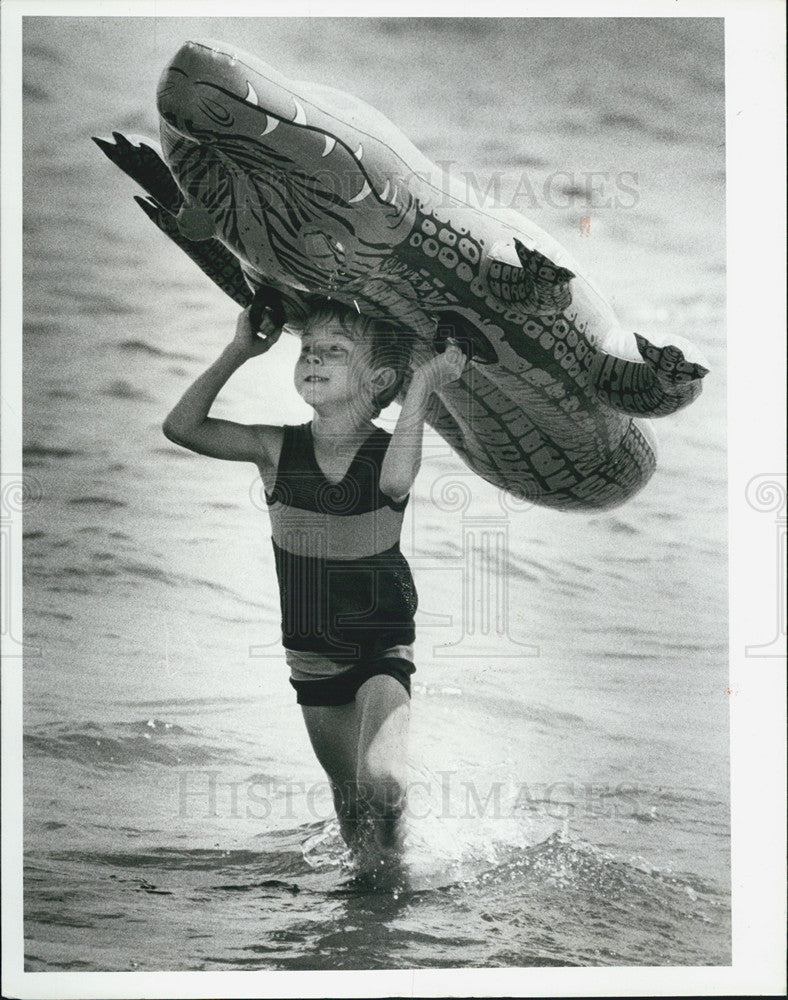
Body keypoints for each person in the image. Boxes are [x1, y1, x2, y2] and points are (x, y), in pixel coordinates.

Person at [162, 297, 465, 867]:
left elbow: (399, 479)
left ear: (378, 379)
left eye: (335, 351)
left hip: (381, 648)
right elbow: (182, 427)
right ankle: (380, 902)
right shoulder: (275, 449)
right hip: (311, 658)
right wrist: (238, 352)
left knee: (381, 783)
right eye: (307, 349)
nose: (313, 359)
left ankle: (403, 866)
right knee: (353, 822)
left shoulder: (385, 452)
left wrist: (425, 383)